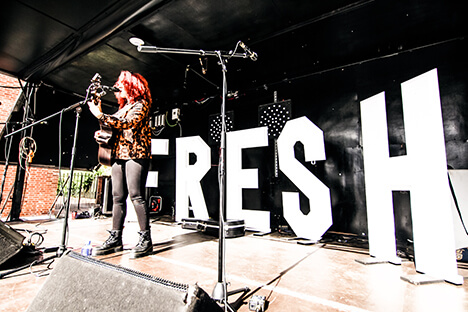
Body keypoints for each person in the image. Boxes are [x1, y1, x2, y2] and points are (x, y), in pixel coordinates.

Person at [87, 70, 153, 259]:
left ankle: (146, 240)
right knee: (117, 197)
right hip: (118, 155)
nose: (117, 87)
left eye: (121, 84)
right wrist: (103, 134)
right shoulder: (123, 107)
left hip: (135, 154)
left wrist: (100, 115)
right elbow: (114, 127)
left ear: (132, 86)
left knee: (136, 196)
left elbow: (127, 123)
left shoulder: (141, 105)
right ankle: (116, 238)